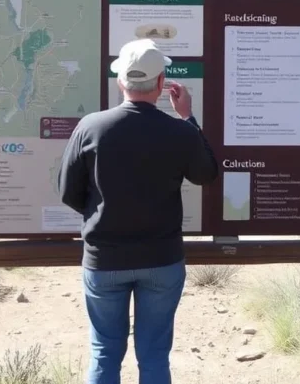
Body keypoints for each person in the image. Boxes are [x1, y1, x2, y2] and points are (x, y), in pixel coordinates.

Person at [56, 38, 219, 384]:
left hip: (105, 260)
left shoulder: (91, 127)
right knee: (155, 355)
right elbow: (206, 174)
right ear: (162, 84)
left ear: (121, 82)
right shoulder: (179, 131)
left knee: (104, 352)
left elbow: (68, 192)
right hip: (162, 259)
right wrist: (188, 118)